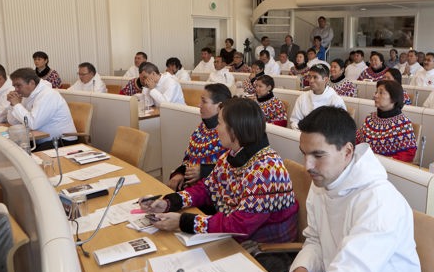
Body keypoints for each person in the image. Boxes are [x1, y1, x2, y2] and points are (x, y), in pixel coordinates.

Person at [287, 106, 421, 272]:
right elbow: (316, 239)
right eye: (304, 154)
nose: (307, 165)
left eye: (318, 155)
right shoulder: (322, 182)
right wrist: (303, 266)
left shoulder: (378, 202)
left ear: (348, 151)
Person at [141, 97, 298, 243]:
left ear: (235, 130)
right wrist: (170, 202)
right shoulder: (231, 155)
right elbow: (207, 188)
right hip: (235, 237)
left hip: (260, 248)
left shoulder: (267, 170)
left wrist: (183, 222)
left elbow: (238, 226)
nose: (216, 128)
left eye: (220, 123)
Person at [167, 84, 231, 191]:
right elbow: (188, 158)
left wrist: (204, 171)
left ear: (219, 107)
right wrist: (180, 173)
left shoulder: (228, 133)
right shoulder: (201, 128)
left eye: (204, 101)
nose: (199, 105)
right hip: (192, 189)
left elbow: (231, 169)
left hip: (212, 192)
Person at [7, 68, 77, 151]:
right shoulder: (28, 94)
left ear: (32, 83)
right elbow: (13, 122)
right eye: (14, 86)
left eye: (18, 85)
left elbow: (33, 124)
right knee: (13, 149)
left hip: (62, 141)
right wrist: (12, 105)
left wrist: (17, 105)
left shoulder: (48, 95)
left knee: (25, 155)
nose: (16, 90)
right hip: (42, 140)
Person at [356, 80, 417, 162]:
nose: (375, 95)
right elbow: (358, 140)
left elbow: (408, 154)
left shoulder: (403, 124)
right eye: (376, 92)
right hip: (364, 163)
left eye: (381, 93)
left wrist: (382, 161)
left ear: (394, 98)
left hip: (387, 167)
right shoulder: (370, 118)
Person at [290, 64, 346, 129]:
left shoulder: (335, 100)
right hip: (303, 133)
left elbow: (341, 126)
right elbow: (295, 120)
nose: (311, 81)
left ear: (326, 80)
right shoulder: (303, 97)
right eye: (309, 77)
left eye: (315, 77)